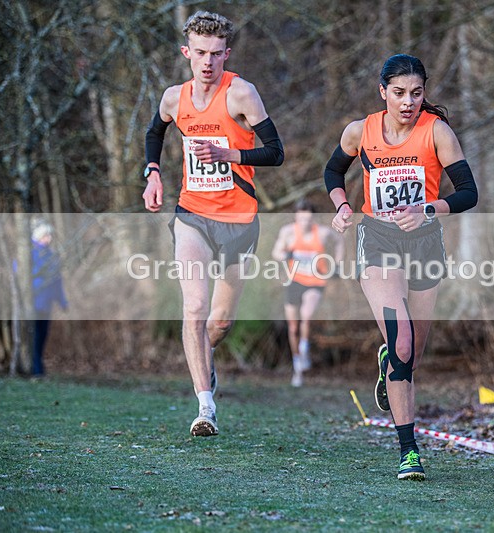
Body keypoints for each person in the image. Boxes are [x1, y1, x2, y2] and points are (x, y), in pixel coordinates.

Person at [323, 54, 478, 480]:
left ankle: (387, 361)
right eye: (399, 94)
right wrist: (341, 207)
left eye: (416, 93)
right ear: (382, 93)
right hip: (378, 241)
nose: (408, 102)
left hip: (425, 244)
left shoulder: (437, 132)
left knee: (412, 355)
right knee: (404, 344)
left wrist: (429, 208)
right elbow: (333, 172)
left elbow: (468, 192)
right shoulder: (361, 131)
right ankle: (409, 450)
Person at [141, 11, 284, 437]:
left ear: (227, 54)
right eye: (200, 53)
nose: (208, 62)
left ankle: (205, 359)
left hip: (239, 220)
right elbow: (155, 132)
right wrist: (152, 172)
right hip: (192, 215)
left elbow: (275, 152)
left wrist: (231, 156)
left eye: (216, 54)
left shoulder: (242, 94)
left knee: (218, 323)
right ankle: (205, 407)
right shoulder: (174, 98)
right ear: (187, 52)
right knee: (195, 308)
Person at [271, 199, 344, 387]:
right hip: (294, 281)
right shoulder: (287, 232)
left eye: (308, 219)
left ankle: (304, 349)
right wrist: (287, 255)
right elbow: (276, 252)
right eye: (301, 218)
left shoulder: (322, 232)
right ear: (296, 217)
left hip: (316, 281)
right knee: (293, 327)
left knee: (306, 315)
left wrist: (336, 264)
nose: (305, 222)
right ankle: (298, 367)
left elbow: (339, 241)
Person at [29, 220, 68, 376]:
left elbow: (57, 282)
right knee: (33, 337)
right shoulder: (30, 254)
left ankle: (38, 367)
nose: (49, 238)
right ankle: (36, 369)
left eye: (50, 235)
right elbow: (20, 274)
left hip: (46, 304)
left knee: (41, 337)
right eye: (46, 235)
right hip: (33, 303)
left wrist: (62, 301)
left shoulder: (51, 256)